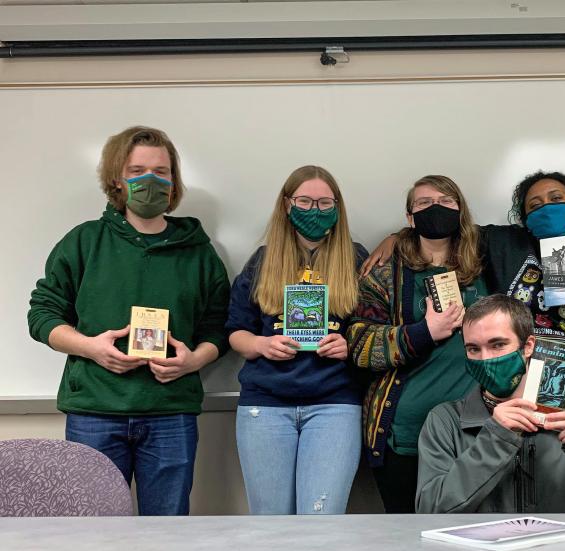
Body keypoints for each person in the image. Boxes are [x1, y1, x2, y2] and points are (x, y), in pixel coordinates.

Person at [363, 171, 565, 476]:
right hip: (540, 402)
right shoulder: (505, 246)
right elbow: (441, 226)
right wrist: (396, 238)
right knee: (555, 505)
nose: (546, 208)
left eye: (556, 199)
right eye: (534, 205)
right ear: (523, 217)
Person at [28, 126, 230, 515]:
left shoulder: (200, 254)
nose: (151, 180)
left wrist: (194, 360)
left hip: (171, 413)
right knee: (93, 536)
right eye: (137, 171)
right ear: (116, 180)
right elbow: (42, 314)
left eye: (162, 171)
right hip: (94, 411)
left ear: (174, 181)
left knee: (167, 533)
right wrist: (91, 348)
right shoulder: (84, 242)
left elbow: (218, 326)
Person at [415, 294, 565, 513]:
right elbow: (430, 512)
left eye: (498, 345)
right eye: (473, 349)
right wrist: (495, 438)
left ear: (528, 346)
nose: (486, 358)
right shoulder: (446, 421)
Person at [226, 165, 367, 515]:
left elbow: (374, 329)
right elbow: (235, 331)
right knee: (270, 523)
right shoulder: (263, 260)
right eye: (304, 201)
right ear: (287, 205)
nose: (314, 211)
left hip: (335, 405)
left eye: (324, 202)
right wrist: (261, 345)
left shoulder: (357, 259)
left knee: (321, 520)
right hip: (266, 405)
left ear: (337, 207)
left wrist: (349, 346)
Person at [346, 175, 487, 513]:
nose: (434, 208)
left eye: (445, 201)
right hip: (404, 433)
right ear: (410, 218)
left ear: (460, 210)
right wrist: (423, 332)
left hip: (475, 429)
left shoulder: (487, 266)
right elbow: (359, 344)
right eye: (423, 203)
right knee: (407, 542)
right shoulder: (383, 274)